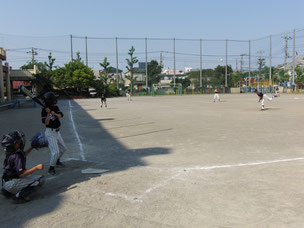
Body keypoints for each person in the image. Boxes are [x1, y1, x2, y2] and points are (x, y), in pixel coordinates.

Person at [1, 131, 44, 203]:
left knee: (31, 179)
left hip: (6, 182)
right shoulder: (17, 156)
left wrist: (32, 147)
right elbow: (22, 174)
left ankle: (6, 192)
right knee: (38, 181)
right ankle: (19, 196)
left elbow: (23, 155)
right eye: (18, 142)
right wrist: (36, 168)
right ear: (15, 144)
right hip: (13, 182)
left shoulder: (10, 153)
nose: (20, 142)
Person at [41, 92, 67, 175]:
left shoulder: (55, 108)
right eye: (53, 99)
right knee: (55, 152)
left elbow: (60, 115)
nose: (55, 100)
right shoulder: (44, 111)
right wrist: (48, 113)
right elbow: (46, 123)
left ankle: (57, 161)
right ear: (50, 101)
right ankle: (51, 168)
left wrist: (53, 113)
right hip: (50, 133)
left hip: (57, 132)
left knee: (63, 149)